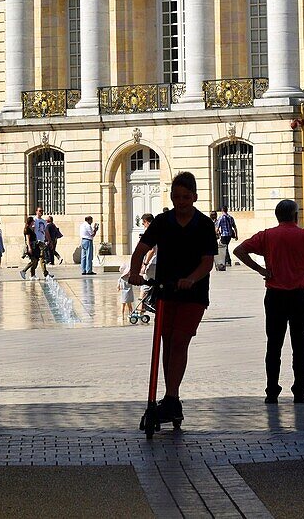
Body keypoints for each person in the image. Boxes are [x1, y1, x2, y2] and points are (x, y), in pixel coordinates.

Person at [128, 172, 217, 424]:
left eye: (186, 197)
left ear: (195, 197)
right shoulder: (162, 221)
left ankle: (172, 396)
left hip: (194, 293)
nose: (181, 202)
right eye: (176, 197)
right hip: (166, 291)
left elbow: (207, 262)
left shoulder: (203, 224)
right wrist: (135, 272)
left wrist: (191, 278)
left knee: (179, 341)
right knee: (166, 342)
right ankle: (171, 398)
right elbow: (141, 249)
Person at [234, 199, 304, 404]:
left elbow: (239, 251)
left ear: (277, 216)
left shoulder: (266, 236)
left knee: (273, 345)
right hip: (300, 296)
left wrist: (261, 270)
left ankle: (271, 391)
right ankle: (299, 391)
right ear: (295, 216)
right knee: (299, 346)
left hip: (274, 296)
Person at [33, 206, 51, 276]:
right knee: (36, 259)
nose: (41, 212)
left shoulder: (43, 221)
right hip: (36, 241)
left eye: (42, 211)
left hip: (42, 241)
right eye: (40, 211)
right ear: (36, 212)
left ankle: (45, 273)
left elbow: (46, 231)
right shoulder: (34, 220)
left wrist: (49, 240)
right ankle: (31, 273)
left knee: (42, 258)